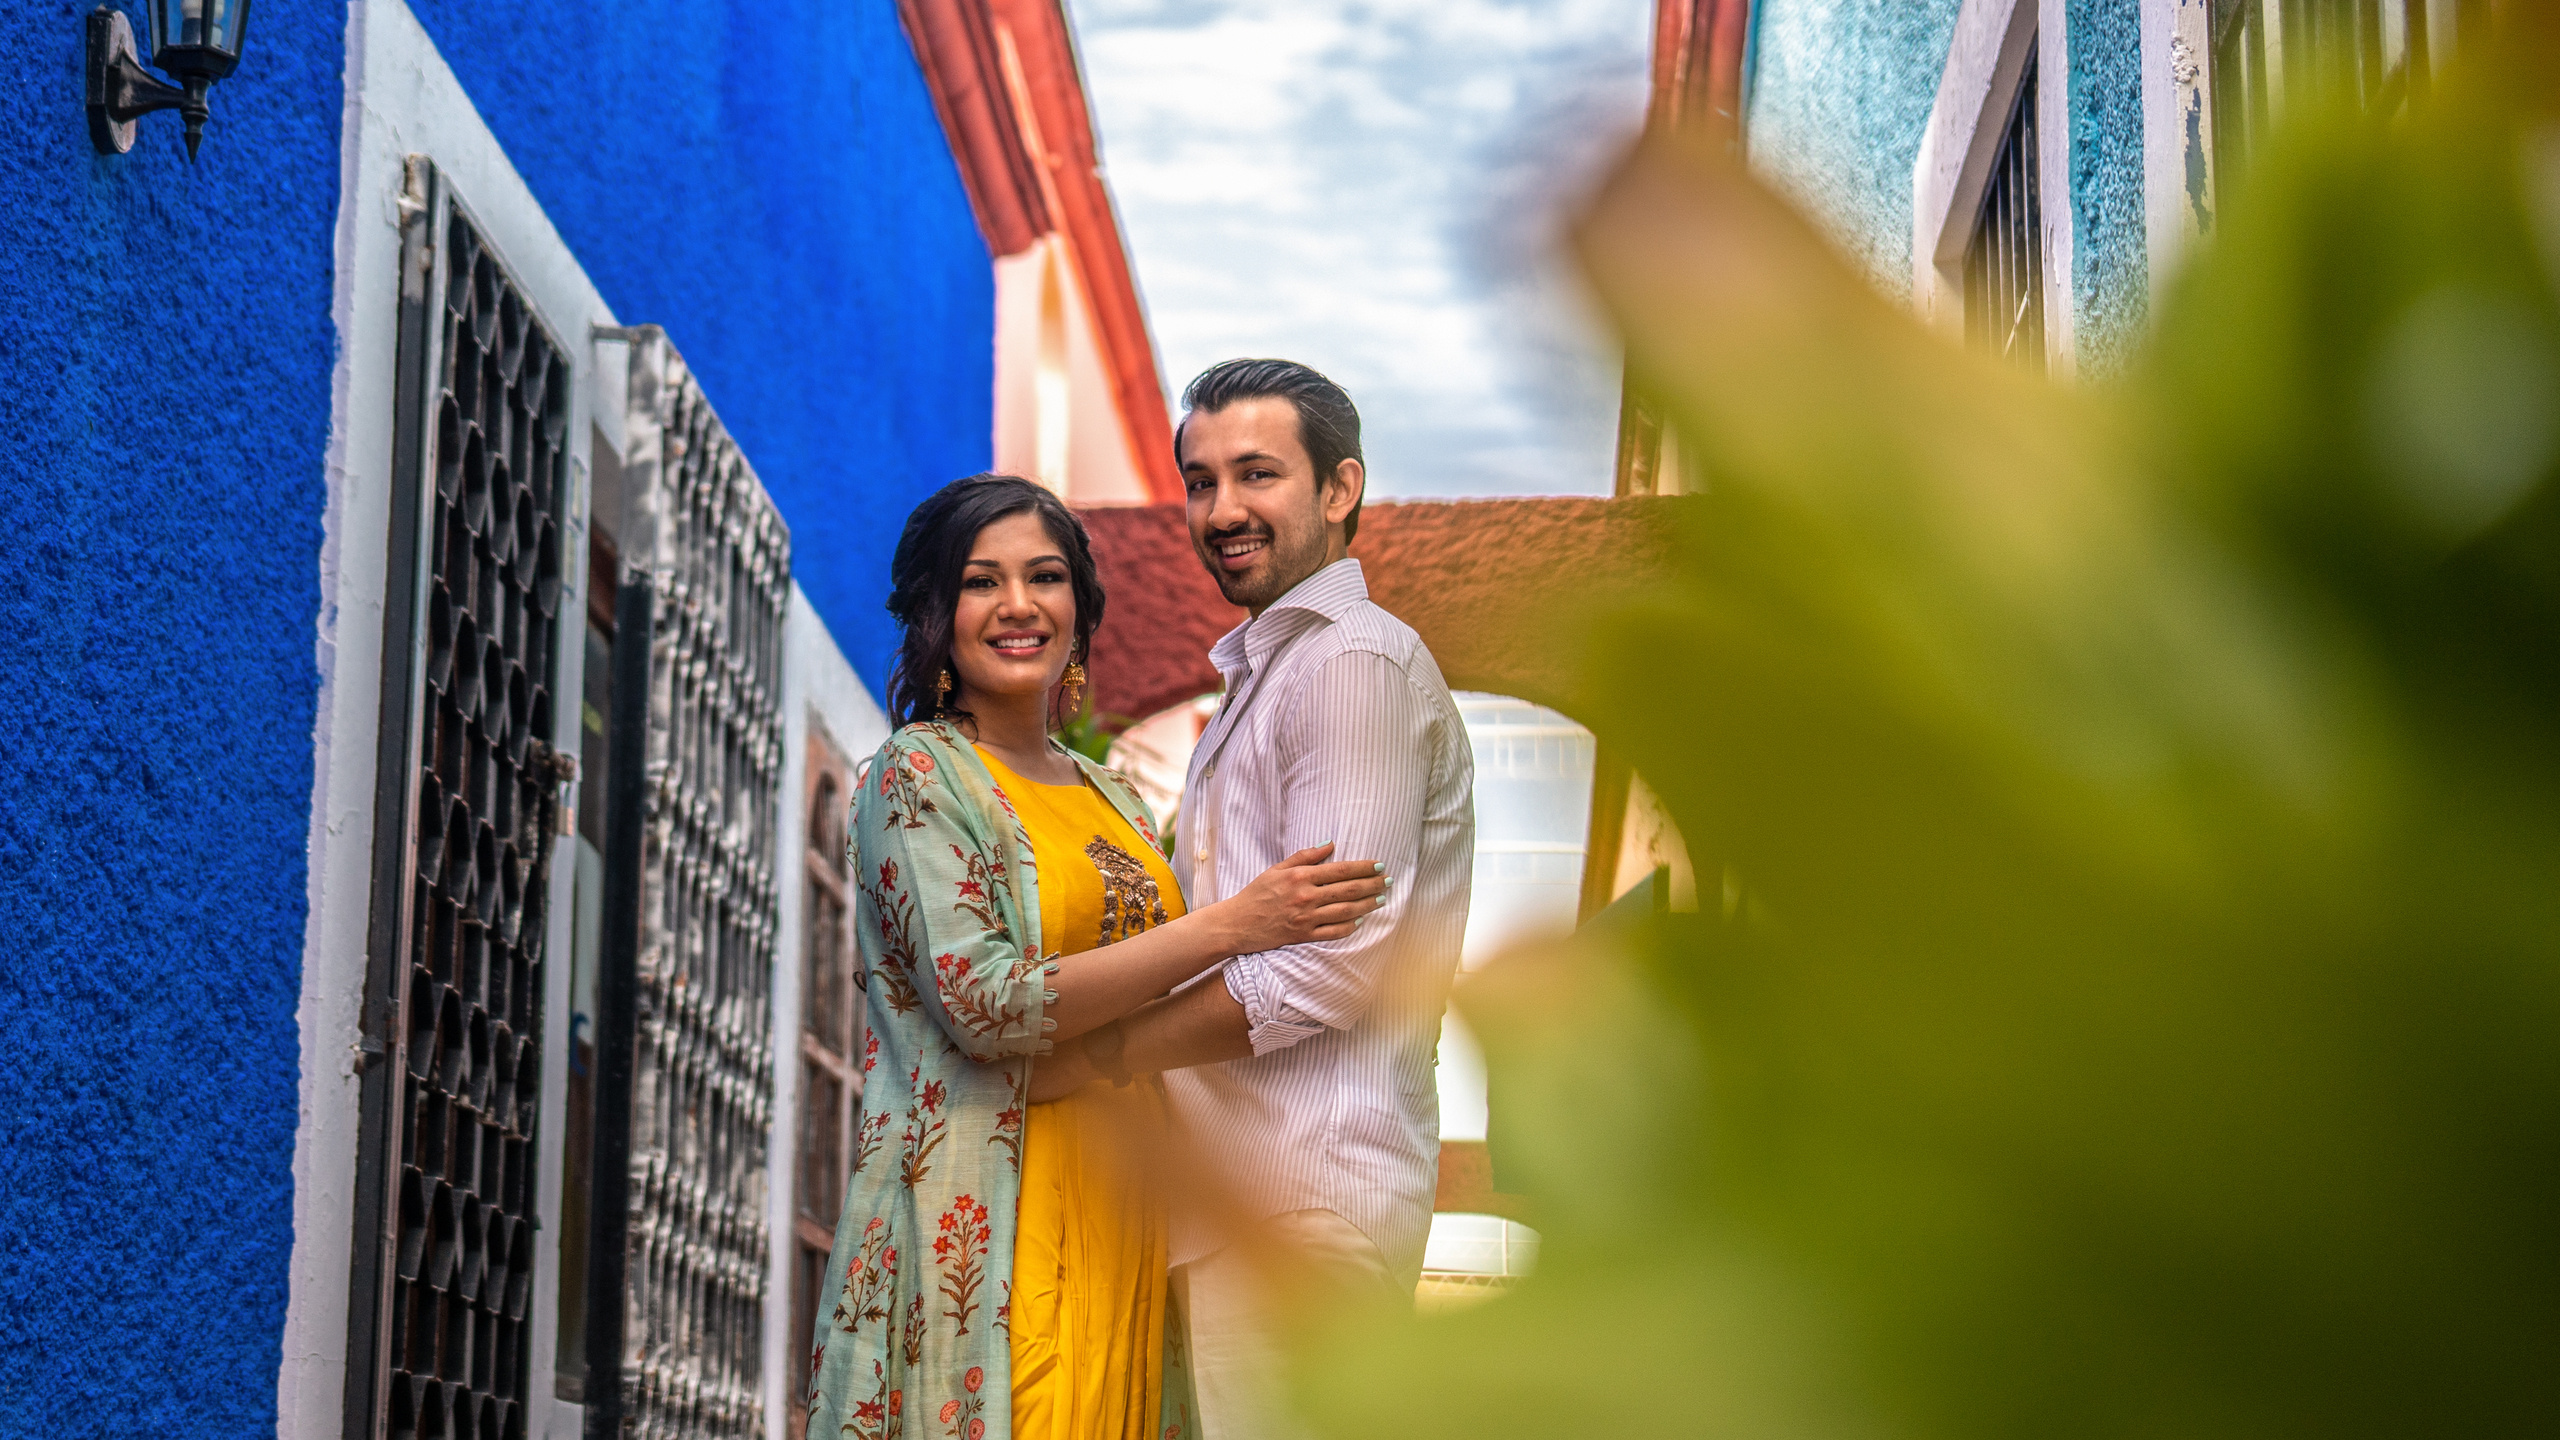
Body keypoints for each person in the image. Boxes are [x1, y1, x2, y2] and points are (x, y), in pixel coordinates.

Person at [805, 474, 1390, 1440]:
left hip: (1128, 1216)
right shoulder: (919, 775)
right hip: (993, 1218)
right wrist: (1235, 924)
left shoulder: (1113, 797)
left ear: (1080, 606)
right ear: (935, 612)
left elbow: (1172, 988)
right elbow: (986, 1005)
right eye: (982, 582)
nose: (1020, 606)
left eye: (1046, 577)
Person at [1029, 361, 1476, 1440]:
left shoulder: (1349, 666)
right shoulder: (1271, 676)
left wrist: (1105, 1055)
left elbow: (1328, 963)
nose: (1220, 511)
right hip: (1250, 1200)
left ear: (1338, 489)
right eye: (1199, 481)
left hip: (1304, 1197)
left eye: (1257, 474)